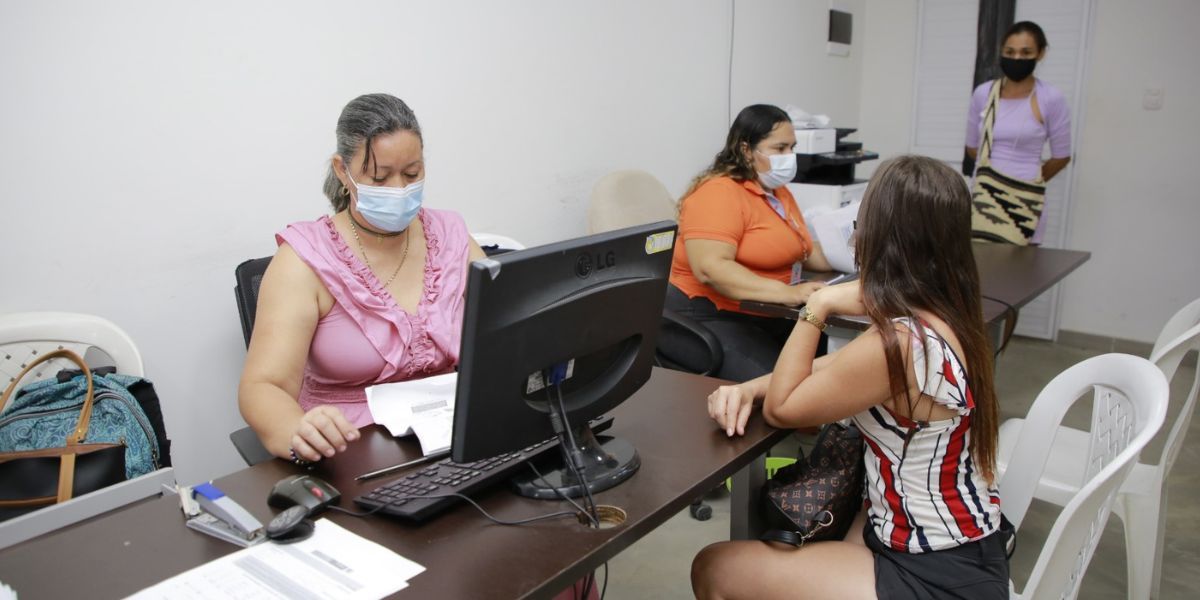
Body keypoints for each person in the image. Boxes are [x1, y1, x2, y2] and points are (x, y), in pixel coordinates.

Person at [692, 156, 1009, 599]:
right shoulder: (949, 314)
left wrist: (818, 307)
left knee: (714, 568)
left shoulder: (898, 345)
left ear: (882, 236)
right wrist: (749, 388)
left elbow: (785, 410)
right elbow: (831, 373)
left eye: (861, 222)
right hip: (956, 545)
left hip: (933, 572)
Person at [239, 93, 485, 464]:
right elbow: (262, 387)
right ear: (342, 171)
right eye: (380, 177)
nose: (399, 189)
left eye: (412, 174)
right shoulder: (304, 260)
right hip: (354, 453)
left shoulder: (452, 237)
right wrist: (298, 430)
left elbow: (510, 334)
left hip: (456, 443)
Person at [666, 104, 833, 381]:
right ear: (746, 150)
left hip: (766, 310)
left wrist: (862, 256)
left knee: (833, 365)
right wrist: (790, 293)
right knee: (783, 387)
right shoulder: (718, 193)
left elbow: (805, 250)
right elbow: (711, 268)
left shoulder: (777, 192)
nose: (789, 157)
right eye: (779, 149)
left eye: (792, 147)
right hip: (708, 313)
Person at [965, 20, 1072, 245]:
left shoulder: (1050, 98)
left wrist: (1031, 180)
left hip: (1025, 202)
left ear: (1040, 54)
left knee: (1022, 275)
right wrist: (996, 176)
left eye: (1026, 52)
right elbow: (972, 147)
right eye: (1010, 52)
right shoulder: (983, 94)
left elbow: (1062, 156)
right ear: (1001, 52)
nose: (1016, 59)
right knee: (981, 272)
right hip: (984, 200)